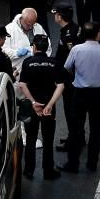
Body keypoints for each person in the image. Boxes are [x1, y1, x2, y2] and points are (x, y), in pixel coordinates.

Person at [61, 22, 100, 173]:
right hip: (99, 94)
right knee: (96, 129)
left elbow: (67, 66)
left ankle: (73, 164)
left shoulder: (77, 49)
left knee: (76, 128)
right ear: (98, 34)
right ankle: (92, 163)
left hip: (80, 93)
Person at [18, 34, 65, 180]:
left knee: (31, 139)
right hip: (48, 108)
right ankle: (48, 170)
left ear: (34, 47)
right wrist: (50, 104)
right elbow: (61, 85)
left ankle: (29, 170)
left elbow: (22, 84)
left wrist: (33, 102)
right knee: (48, 138)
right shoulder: (54, 62)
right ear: (46, 48)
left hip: (32, 107)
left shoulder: (27, 62)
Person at [52, 3, 84, 155]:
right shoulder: (72, 28)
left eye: (56, 13)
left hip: (70, 79)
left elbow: (71, 59)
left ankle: (74, 140)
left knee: (71, 110)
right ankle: (78, 137)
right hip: (74, 77)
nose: (55, 16)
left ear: (61, 16)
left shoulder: (68, 36)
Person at [3, 7, 49, 75]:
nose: (31, 27)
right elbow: (3, 50)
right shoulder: (9, 29)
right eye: (28, 25)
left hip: (38, 70)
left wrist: (39, 57)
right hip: (18, 72)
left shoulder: (38, 27)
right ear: (22, 19)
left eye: (33, 24)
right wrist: (16, 53)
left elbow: (48, 46)